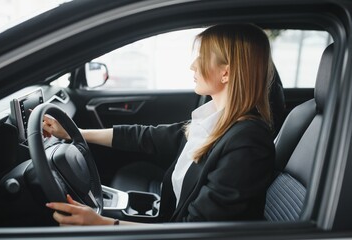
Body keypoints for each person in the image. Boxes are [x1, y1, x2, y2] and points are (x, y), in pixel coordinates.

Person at [44, 24, 275, 226]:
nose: (193, 66)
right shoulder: (214, 121)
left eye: (202, 57)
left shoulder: (248, 143)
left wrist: (104, 224)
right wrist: (76, 133)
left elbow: (196, 230)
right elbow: (147, 136)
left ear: (226, 72)